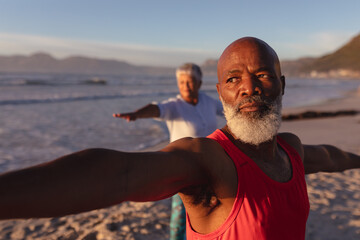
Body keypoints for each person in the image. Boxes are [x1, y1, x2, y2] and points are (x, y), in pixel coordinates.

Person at [0, 37, 359, 240]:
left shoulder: (290, 149)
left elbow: (330, 157)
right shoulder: (208, 158)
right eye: (233, 79)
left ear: (281, 84)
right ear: (221, 93)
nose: (248, 87)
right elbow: (120, 173)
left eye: (262, 74)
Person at [113, 63, 223, 240]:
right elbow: (156, 108)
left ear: (199, 83)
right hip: (182, 170)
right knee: (179, 217)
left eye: (190, 81)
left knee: (211, 213)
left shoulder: (208, 102)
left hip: (210, 167)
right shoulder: (174, 106)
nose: (185, 86)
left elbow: (228, 111)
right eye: (181, 82)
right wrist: (137, 114)